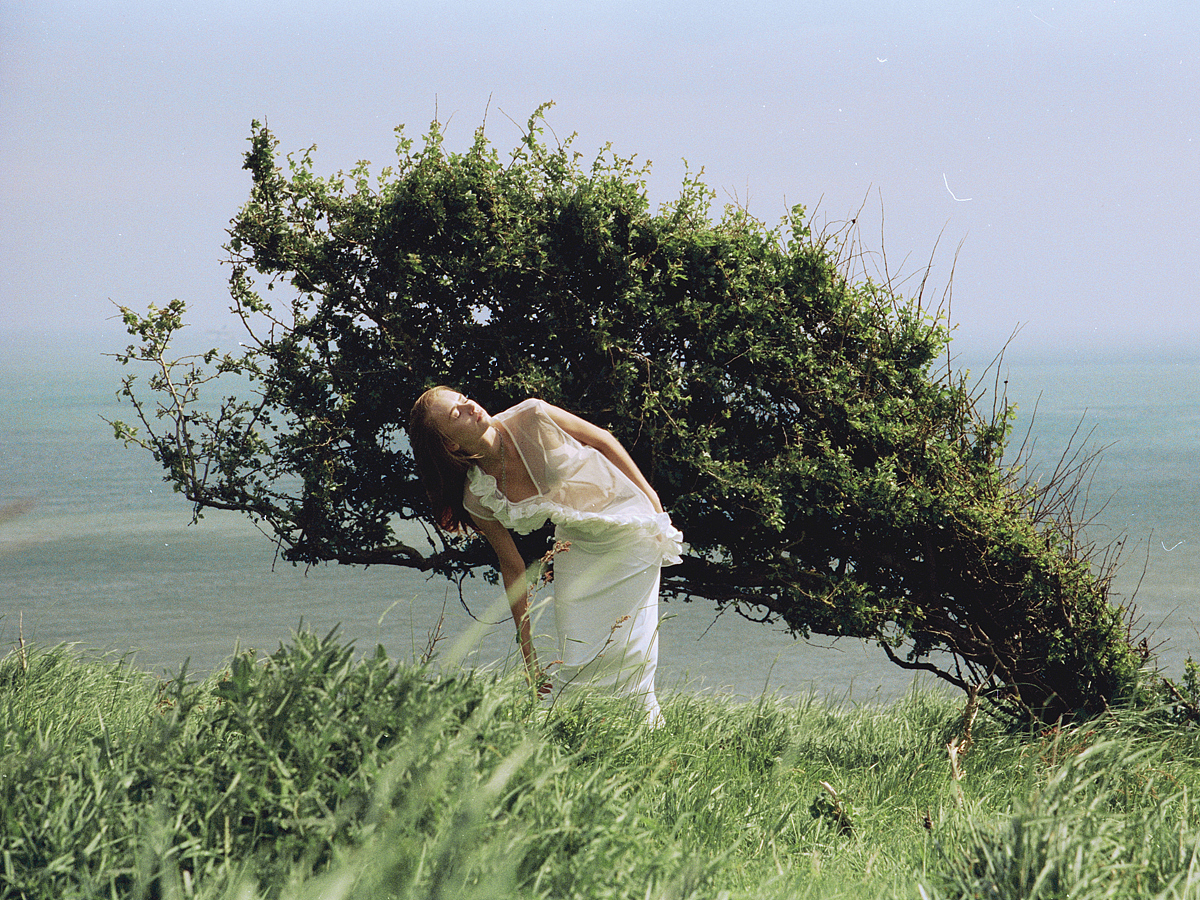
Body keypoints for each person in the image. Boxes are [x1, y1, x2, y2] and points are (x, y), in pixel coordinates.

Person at [408, 387, 683, 725]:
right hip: (577, 542)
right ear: (450, 444)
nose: (469, 406)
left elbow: (602, 440)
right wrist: (530, 660)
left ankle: (644, 738)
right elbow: (512, 567)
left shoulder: (531, 415)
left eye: (464, 398)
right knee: (578, 651)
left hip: (628, 528)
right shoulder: (478, 497)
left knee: (630, 651)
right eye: (456, 413)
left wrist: (654, 503)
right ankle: (585, 734)